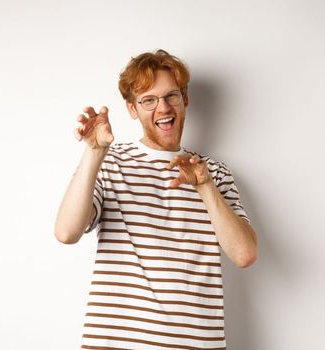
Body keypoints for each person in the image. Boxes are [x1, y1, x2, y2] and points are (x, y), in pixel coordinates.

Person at [54, 49, 258, 349]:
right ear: (133, 109)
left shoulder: (213, 172)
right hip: (116, 344)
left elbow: (244, 255)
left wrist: (205, 187)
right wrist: (94, 152)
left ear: (185, 100)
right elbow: (66, 232)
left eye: (171, 96)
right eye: (149, 100)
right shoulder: (111, 163)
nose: (163, 108)